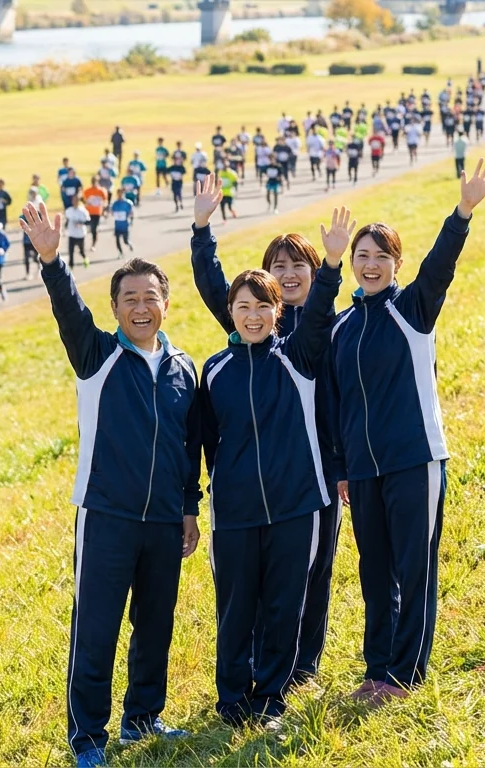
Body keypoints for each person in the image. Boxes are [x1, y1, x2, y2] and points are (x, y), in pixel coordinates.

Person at [20, 201, 201, 768]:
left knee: (155, 625)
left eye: (151, 298)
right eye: (130, 300)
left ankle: (142, 717)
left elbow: (189, 449)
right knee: (95, 631)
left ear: (166, 305)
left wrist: (189, 509)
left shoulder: (184, 368)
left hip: (164, 522)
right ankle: (88, 738)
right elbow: (68, 311)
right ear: (116, 309)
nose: (141, 308)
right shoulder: (96, 355)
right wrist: (52, 260)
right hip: (106, 517)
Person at [332, 159, 485, 706]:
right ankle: (376, 667)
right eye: (362, 256)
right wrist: (341, 469)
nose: (371, 264)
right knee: (374, 570)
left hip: (415, 460)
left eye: (381, 256)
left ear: (396, 263)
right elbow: (335, 405)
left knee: (414, 565)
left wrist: (463, 212)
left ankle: (404, 675)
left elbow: (441, 266)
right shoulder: (341, 326)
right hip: (362, 469)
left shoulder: (413, 309)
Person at [190, 183, 352, 724]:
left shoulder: (299, 356)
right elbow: (205, 442)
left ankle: (273, 696)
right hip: (234, 512)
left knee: (285, 605)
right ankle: (233, 698)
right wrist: (201, 231)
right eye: (243, 307)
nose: (253, 316)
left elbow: (323, 303)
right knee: (236, 609)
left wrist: (330, 263)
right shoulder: (213, 370)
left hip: (295, 504)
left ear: (277, 312)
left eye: (263, 307)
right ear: (231, 312)